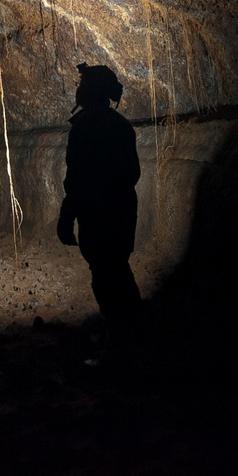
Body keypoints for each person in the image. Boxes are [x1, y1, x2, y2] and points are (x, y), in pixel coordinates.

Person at [56, 62, 144, 367]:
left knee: (106, 277)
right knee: (117, 270)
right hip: (121, 211)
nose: (77, 89)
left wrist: (68, 215)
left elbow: (77, 178)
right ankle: (130, 339)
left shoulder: (84, 127)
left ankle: (126, 345)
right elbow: (132, 172)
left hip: (96, 212)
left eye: (82, 84)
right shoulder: (121, 125)